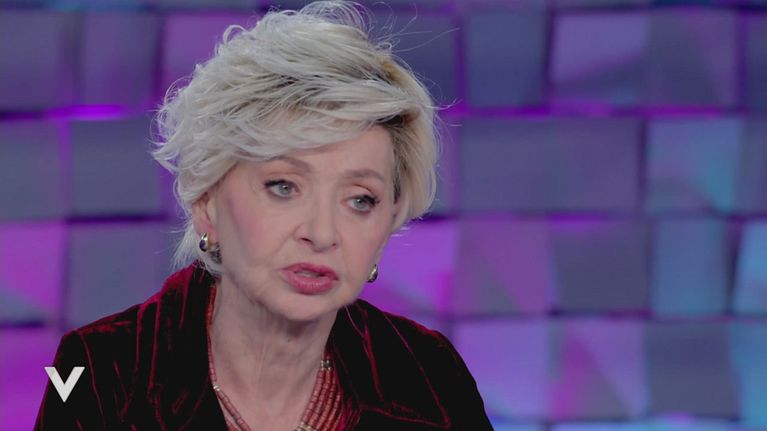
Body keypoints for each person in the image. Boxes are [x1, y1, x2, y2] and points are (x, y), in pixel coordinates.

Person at [35, 1, 492, 429]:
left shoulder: (431, 377)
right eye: (283, 187)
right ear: (207, 200)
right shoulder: (98, 369)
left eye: (360, 200)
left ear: (389, 221)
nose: (321, 234)